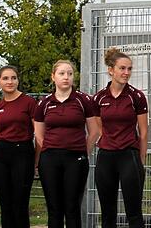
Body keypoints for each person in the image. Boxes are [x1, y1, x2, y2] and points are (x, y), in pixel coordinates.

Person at [34, 60, 100, 228]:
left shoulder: (83, 100)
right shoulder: (44, 103)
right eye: (62, 73)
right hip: (50, 159)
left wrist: (81, 152)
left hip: (76, 159)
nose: (66, 77)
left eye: (70, 74)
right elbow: (39, 135)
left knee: (72, 208)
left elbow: (94, 132)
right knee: (54, 209)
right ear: (53, 76)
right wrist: (52, 148)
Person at [94, 48, 149, 228]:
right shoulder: (99, 98)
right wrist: (109, 141)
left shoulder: (137, 96)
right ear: (111, 70)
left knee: (133, 213)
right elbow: (99, 128)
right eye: (122, 68)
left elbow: (143, 131)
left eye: (130, 69)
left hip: (129, 156)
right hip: (106, 158)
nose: (127, 73)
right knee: (107, 213)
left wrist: (140, 159)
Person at [0, 65, 39, 228]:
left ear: (18, 80)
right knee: (5, 203)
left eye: (13, 78)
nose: (10, 81)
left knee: (20, 202)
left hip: (23, 153)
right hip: (2, 155)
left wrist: (37, 159)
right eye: (5, 78)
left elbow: (38, 133)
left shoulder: (29, 103)